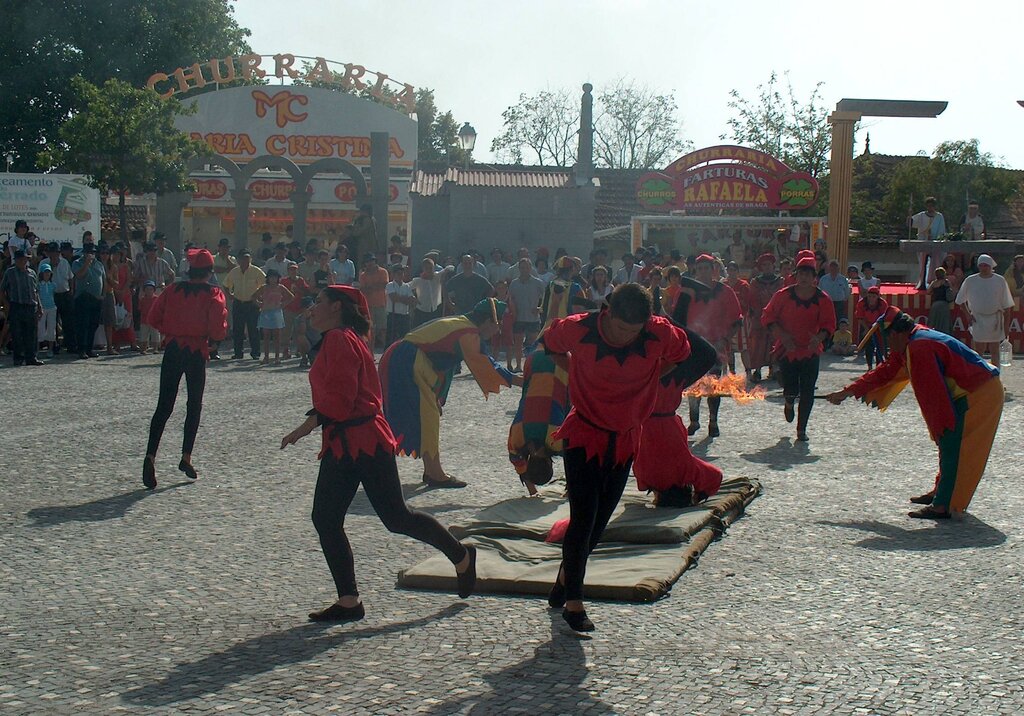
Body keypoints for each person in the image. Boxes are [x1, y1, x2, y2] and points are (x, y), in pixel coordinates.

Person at [280, 285, 477, 622]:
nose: (312, 308)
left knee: (395, 517)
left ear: (337, 308)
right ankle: (349, 600)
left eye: (319, 302)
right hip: (348, 440)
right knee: (329, 517)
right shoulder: (340, 337)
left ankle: (461, 556)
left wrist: (307, 425)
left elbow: (342, 396)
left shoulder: (341, 339)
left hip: (362, 440)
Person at [542, 283, 691, 632]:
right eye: (621, 329)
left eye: (633, 331)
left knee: (600, 522)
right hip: (585, 432)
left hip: (625, 436)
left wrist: (650, 375)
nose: (626, 337)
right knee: (583, 516)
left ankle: (564, 581)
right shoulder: (579, 328)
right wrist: (572, 372)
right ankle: (574, 603)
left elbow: (685, 353)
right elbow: (550, 344)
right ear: (607, 312)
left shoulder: (658, 332)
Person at [827, 309, 1003, 518]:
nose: (889, 344)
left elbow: (933, 395)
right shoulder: (913, 339)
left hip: (979, 392)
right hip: (974, 387)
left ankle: (943, 504)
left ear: (895, 334)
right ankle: (941, 493)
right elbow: (886, 371)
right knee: (948, 443)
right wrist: (848, 391)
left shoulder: (919, 348)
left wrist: (940, 426)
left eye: (889, 338)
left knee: (954, 445)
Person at [379, 298, 521, 488]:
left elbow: (444, 365)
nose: (499, 329)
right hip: (408, 361)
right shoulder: (468, 333)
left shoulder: (462, 324)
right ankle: (433, 473)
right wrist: (522, 381)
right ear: (489, 321)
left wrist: (437, 396)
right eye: (498, 323)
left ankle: (431, 470)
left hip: (407, 359)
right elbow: (487, 364)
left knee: (425, 416)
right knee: (424, 417)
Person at [142, 249, 228, 489]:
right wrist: (214, 339)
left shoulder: (172, 290)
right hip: (196, 351)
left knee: (164, 405)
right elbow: (218, 328)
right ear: (209, 272)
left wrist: (170, 331)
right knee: (194, 405)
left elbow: (153, 317)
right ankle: (186, 456)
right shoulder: (214, 293)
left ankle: (150, 455)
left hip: (173, 348)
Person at [633, 328, 721, 507]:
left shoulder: (685, 470)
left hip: (660, 417)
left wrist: (701, 492)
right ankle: (653, 322)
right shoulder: (647, 475)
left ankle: (659, 322)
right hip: (653, 421)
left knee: (705, 354)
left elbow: (714, 476)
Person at [761, 255, 837, 442]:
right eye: (801, 273)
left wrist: (819, 337)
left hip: (810, 350)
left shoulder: (823, 299)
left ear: (814, 278)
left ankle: (801, 428)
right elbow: (767, 317)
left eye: (808, 274)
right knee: (790, 387)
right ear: (795, 275)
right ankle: (788, 401)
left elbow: (829, 324)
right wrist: (782, 335)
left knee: (808, 389)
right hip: (787, 349)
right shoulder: (783, 296)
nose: (804, 277)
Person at [680, 255, 742, 438]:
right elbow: (679, 317)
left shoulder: (725, 291)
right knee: (693, 384)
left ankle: (713, 421)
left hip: (716, 345)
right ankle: (694, 420)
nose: (703, 272)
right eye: (700, 269)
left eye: (707, 268)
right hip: (693, 344)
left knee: (713, 385)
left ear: (713, 270)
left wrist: (726, 339)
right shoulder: (688, 291)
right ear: (695, 271)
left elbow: (737, 319)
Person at [955, 254, 1014, 365]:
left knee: (995, 351)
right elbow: (960, 300)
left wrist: (1006, 325)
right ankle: (980, 376)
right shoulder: (970, 280)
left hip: (995, 319)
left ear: (991, 266)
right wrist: (968, 314)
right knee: (978, 351)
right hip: (978, 319)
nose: (984, 268)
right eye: (981, 265)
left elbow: (1007, 305)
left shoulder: (1000, 280)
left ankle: (995, 376)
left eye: (986, 265)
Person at [744, 254, 784, 383]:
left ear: (773, 266)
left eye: (769, 265)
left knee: (774, 343)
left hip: (775, 317)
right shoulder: (755, 282)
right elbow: (753, 299)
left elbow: (781, 299)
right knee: (758, 345)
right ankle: (758, 370)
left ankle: (774, 369)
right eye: (764, 265)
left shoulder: (780, 281)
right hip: (759, 317)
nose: (767, 267)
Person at [0, 249, 43, 365]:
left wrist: (40, 306)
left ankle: (31, 357)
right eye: (21, 259)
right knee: (17, 334)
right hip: (16, 305)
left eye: (25, 259)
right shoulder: (10, 272)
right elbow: (2, 289)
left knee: (31, 334)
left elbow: (36, 291)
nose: (23, 261)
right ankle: (18, 358)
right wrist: (6, 303)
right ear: (16, 260)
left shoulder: (32, 273)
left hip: (31, 306)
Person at [223, 249, 266, 360]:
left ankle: (255, 352)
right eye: (242, 259)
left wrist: (258, 295)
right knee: (238, 330)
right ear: (238, 260)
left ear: (250, 259)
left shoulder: (256, 271)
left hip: (252, 304)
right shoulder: (234, 271)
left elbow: (265, 285)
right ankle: (238, 353)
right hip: (238, 303)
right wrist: (229, 295)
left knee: (253, 330)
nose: (245, 261)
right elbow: (226, 284)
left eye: (247, 258)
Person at [508, 258, 546, 372]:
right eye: (522, 267)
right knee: (518, 343)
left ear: (530, 268)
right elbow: (510, 300)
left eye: (527, 267)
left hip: (533, 318)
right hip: (518, 318)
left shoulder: (538, 283)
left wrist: (540, 308)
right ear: (519, 269)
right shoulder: (514, 283)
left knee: (533, 344)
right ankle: (519, 365)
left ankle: (531, 365)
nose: (524, 270)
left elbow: (546, 298)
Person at [72, 243, 105, 359]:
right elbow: (79, 275)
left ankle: (89, 349)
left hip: (96, 299)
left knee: (93, 324)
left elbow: (103, 280)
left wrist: (102, 294)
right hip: (83, 297)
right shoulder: (77, 263)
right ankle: (82, 349)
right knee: (83, 325)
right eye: (88, 252)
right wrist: (86, 263)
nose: (91, 255)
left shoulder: (99, 265)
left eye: (93, 252)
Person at [254, 270, 294, 365]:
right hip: (266, 312)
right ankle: (266, 357)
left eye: (275, 277)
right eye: (271, 277)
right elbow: (254, 296)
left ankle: (277, 357)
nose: (273, 279)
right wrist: (259, 304)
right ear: (268, 278)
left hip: (276, 312)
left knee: (277, 336)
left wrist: (283, 304)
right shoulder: (264, 288)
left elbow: (291, 297)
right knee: (266, 336)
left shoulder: (280, 288)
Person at [910, 197, 947, 290]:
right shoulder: (922, 215)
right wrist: (909, 216)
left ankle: (934, 282)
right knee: (923, 263)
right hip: (923, 243)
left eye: (932, 206)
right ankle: (922, 282)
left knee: (935, 263)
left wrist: (934, 237)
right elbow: (911, 223)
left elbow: (942, 231)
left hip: (935, 244)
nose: (930, 207)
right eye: (928, 205)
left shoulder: (939, 217)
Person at [48, 242, 75, 355]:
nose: (55, 254)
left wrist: (72, 290)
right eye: (52, 252)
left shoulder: (65, 263)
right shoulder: (45, 263)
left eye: (57, 252)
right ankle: (54, 345)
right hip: (51, 295)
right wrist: (52, 266)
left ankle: (70, 345)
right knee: (52, 322)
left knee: (68, 321)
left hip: (65, 294)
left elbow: (70, 278)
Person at [281, 263, 311, 359]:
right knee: (287, 331)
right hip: (288, 308)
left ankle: (299, 349)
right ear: (288, 271)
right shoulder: (284, 281)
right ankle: (286, 350)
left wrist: (299, 289)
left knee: (299, 331)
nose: (293, 272)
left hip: (299, 309)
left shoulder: (300, 280)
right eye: (291, 270)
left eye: (294, 270)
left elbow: (307, 291)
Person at [854, 286, 889, 369]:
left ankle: (878, 367)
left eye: (874, 297)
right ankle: (869, 367)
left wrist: (878, 329)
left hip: (879, 325)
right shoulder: (861, 303)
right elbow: (859, 317)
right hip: (866, 324)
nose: (871, 299)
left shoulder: (883, 304)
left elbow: (883, 318)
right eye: (869, 296)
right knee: (868, 347)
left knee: (880, 347)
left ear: (878, 297)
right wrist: (866, 329)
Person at [385, 263, 414, 346]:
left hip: (404, 315)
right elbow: (394, 298)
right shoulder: (390, 285)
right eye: (398, 273)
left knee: (405, 338)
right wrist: (405, 299)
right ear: (393, 274)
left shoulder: (407, 286)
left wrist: (401, 299)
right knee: (391, 339)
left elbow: (412, 300)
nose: (401, 275)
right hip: (393, 315)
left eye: (402, 273)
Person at [818, 260, 851, 330]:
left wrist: (844, 299)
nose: (834, 270)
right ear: (829, 268)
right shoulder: (823, 279)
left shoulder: (843, 279)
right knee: (827, 320)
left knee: (839, 321)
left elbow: (847, 292)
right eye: (832, 268)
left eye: (835, 268)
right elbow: (819, 291)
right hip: (827, 303)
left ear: (838, 269)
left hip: (839, 304)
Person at [344, 204, 378, 269]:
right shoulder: (370, 219)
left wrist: (354, 228)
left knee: (363, 263)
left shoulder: (367, 220)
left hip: (365, 246)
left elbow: (357, 232)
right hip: (366, 246)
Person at [35, 262, 57, 356]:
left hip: (52, 307)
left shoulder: (53, 285)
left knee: (51, 328)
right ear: (41, 274)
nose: (47, 274)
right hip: (42, 308)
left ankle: (50, 349)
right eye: (45, 272)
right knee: (40, 328)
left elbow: (53, 295)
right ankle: (37, 349)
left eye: (48, 273)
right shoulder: (39, 285)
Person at [928, 267, 955, 335]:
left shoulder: (934, 283)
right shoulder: (946, 282)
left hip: (935, 305)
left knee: (933, 322)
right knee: (944, 324)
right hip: (944, 305)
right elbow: (952, 291)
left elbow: (928, 291)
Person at [137, 281, 161, 354]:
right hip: (144, 320)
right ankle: (143, 349)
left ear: (154, 290)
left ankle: (155, 349)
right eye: (147, 289)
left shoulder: (156, 299)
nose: (149, 291)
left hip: (154, 320)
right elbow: (140, 309)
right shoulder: (142, 299)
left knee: (155, 335)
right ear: (144, 290)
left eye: (151, 289)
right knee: (144, 335)